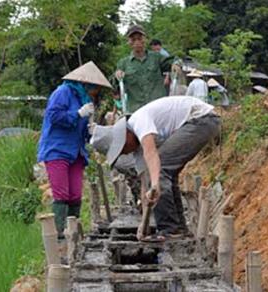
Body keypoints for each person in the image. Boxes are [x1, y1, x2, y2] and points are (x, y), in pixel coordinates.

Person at [91, 95, 221, 241]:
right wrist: (143, 223)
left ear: (125, 136)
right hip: (198, 122)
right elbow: (144, 181)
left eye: (123, 149)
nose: (126, 153)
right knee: (165, 173)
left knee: (162, 168)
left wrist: (155, 184)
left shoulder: (139, 122)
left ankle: (171, 229)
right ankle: (179, 228)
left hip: (201, 120)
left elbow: (152, 155)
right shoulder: (138, 145)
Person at [37, 61, 112, 241]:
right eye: (95, 89)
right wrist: (77, 114)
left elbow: (81, 130)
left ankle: (74, 235)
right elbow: (53, 116)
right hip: (58, 148)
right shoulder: (62, 93)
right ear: (87, 84)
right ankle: (60, 236)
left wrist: (91, 129)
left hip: (76, 151)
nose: (96, 93)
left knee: (75, 194)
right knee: (61, 194)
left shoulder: (85, 100)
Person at [115, 24, 181, 113]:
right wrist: (117, 75)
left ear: (145, 39)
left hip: (158, 109)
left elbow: (174, 60)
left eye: (139, 38)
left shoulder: (156, 58)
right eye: (133, 39)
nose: (137, 42)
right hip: (137, 112)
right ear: (129, 42)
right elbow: (115, 86)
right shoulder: (123, 63)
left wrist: (176, 64)